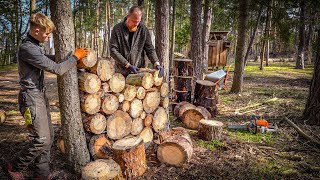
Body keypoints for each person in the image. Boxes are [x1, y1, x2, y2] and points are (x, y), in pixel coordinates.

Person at [1, 12, 88, 180]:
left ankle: (41, 174)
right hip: (31, 99)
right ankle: (14, 166)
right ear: (36, 31)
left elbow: (50, 60)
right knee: (41, 139)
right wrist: (75, 58)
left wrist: (68, 56)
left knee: (49, 138)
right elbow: (57, 69)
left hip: (39, 96)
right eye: (46, 33)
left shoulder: (35, 47)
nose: (48, 36)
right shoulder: (27, 48)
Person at [110, 6, 164, 77]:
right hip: (121, 73)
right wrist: (127, 65)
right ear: (128, 17)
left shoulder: (143, 30)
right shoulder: (117, 29)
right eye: (134, 21)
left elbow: (149, 49)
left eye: (138, 21)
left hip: (139, 72)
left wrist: (156, 63)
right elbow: (113, 50)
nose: (136, 24)